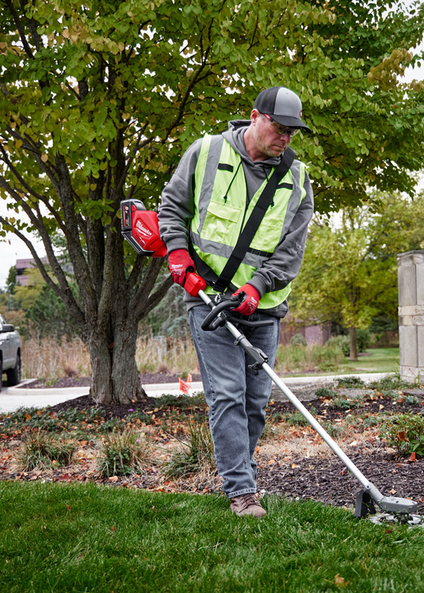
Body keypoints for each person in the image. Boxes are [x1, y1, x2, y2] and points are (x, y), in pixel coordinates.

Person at [158, 86, 314, 518]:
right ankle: (242, 492)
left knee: (254, 402)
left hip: (261, 307)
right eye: (279, 128)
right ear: (254, 117)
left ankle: (237, 471)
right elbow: (173, 207)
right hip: (207, 297)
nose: (285, 138)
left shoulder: (297, 179)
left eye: (291, 132)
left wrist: (257, 288)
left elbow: (290, 251)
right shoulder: (205, 152)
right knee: (227, 393)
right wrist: (177, 252)